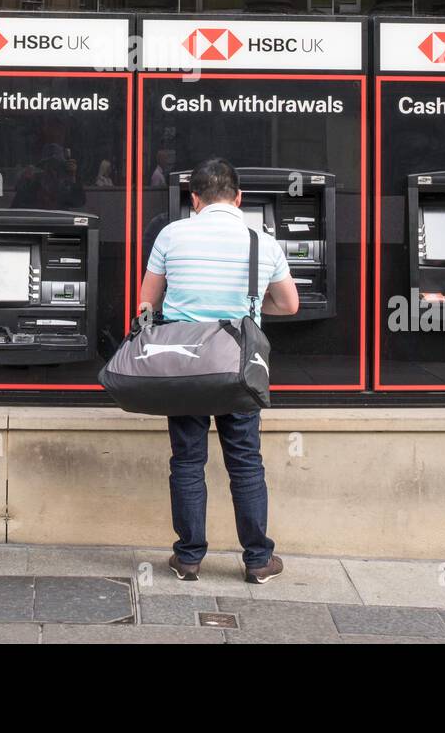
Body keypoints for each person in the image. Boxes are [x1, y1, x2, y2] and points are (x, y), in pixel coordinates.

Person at [137, 157, 299, 584]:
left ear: (194, 199)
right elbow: (289, 304)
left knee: (187, 460)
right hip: (238, 364)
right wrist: (249, 310)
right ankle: (258, 560)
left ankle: (188, 559)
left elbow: (147, 302)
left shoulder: (172, 234)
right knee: (245, 462)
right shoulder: (261, 241)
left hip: (184, 363)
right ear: (239, 197)